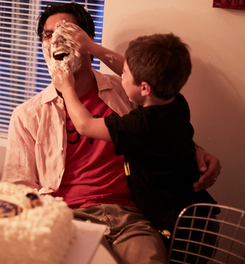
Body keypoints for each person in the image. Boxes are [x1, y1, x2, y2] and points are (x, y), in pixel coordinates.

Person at [1, 3, 221, 264]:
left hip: (130, 215)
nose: (56, 40)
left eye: (68, 31)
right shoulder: (27, 115)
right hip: (67, 216)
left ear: (85, 40)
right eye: (48, 35)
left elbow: (160, 126)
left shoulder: (124, 90)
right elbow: (17, 188)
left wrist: (196, 151)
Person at [53, 32, 220, 262]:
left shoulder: (138, 127)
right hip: (199, 216)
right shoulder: (177, 103)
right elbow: (137, 71)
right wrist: (92, 47)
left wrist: (67, 88)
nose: (121, 76)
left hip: (177, 226)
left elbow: (84, 124)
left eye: (124, 75)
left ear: (144, 88)